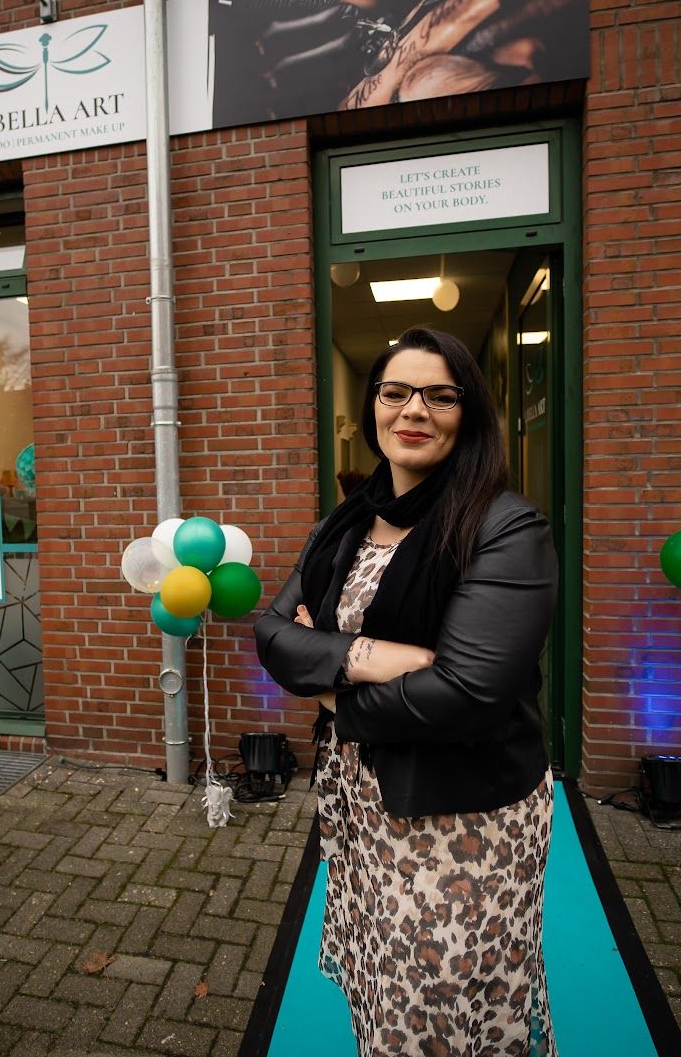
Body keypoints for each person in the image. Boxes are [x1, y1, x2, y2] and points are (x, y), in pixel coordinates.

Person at [255, 326, 559, 1054]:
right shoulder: (347, 521)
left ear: (468, 414)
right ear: (374, 406)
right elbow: (271, 636)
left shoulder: (504, 526)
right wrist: (369, 655)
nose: (412, 411)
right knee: (385, 989)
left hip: (463, 821)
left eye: (439, 396)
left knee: (457, 1001)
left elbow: (469, 694)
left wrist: (331, 685)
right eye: (395, 392)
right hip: (364, 802)